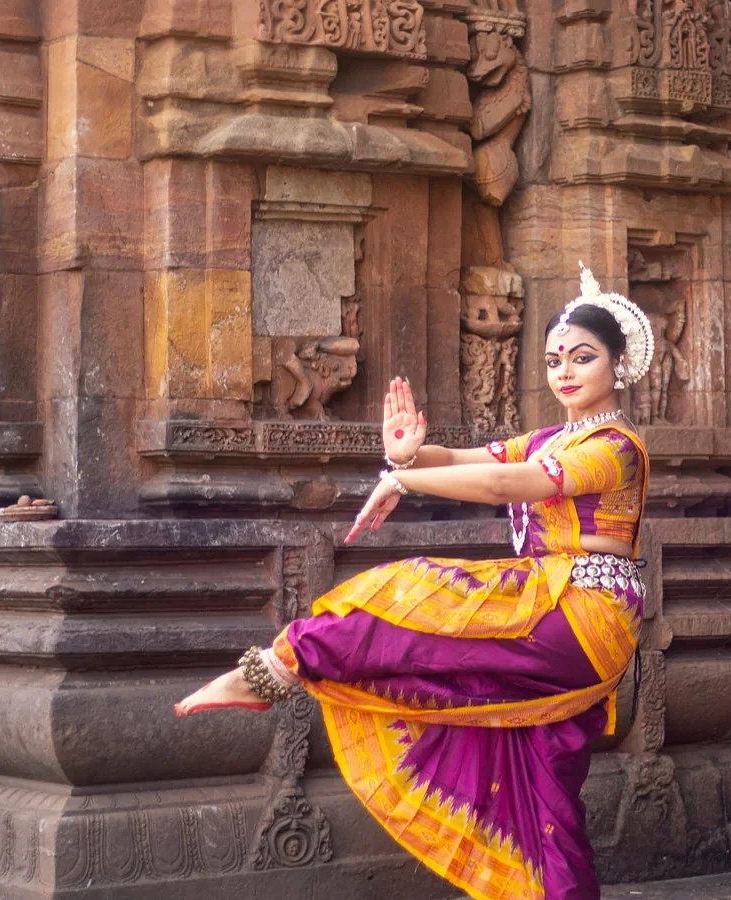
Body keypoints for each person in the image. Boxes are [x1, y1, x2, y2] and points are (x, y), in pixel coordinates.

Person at [174, 266, 656, 900]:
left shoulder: (616, 446)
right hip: (547, 606)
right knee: (543, 791)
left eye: (583, 358)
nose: (564, 371)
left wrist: (404, 481)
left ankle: (282, 667)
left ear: (619, 364)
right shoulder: (550, 437)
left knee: (403, 597)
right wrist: (407, 454)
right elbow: (464, 461)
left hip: (581, 619)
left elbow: (506, 486)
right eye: (553, 360)